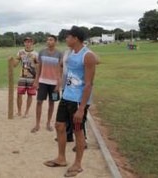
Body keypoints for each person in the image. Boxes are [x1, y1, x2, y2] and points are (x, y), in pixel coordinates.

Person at [44, 26, 97, 177]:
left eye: (68, 37)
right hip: (66, 96)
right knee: (59, 126)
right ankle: (61, 158)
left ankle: (78, 164)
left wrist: (81, 109)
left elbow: (89, 84)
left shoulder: (87, 56)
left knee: (78, 131)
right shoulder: (70, 53)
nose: (66, 39)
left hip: (78, 101)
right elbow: (63, 69)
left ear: (76, 39)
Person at [31, 35, 62, 132]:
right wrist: (36, 81)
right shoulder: (42, 52)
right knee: (39, 102)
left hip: (54, 83)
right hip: (42, 81)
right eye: (48, 40)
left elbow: (60, 70)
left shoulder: (59, 54)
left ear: (55, 42)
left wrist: (58, 84)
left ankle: (48, 123)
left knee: (51, 103)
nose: (48, 41)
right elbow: (39, 67)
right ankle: (37, 124)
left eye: (51, 40)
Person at [12, 37, 38, 117]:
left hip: (32, 77)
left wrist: (36, 79)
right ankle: (19, 111)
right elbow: (15, 65)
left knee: (30, 95)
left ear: (32, 43)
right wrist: (13, 59)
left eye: (30, 42)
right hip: (22, 77)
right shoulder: (20, 52)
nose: (28, 44)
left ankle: (26, 112)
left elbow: (38, 67)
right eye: (26, 42)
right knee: (19, 94)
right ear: (24, 43)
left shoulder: (36, 54)